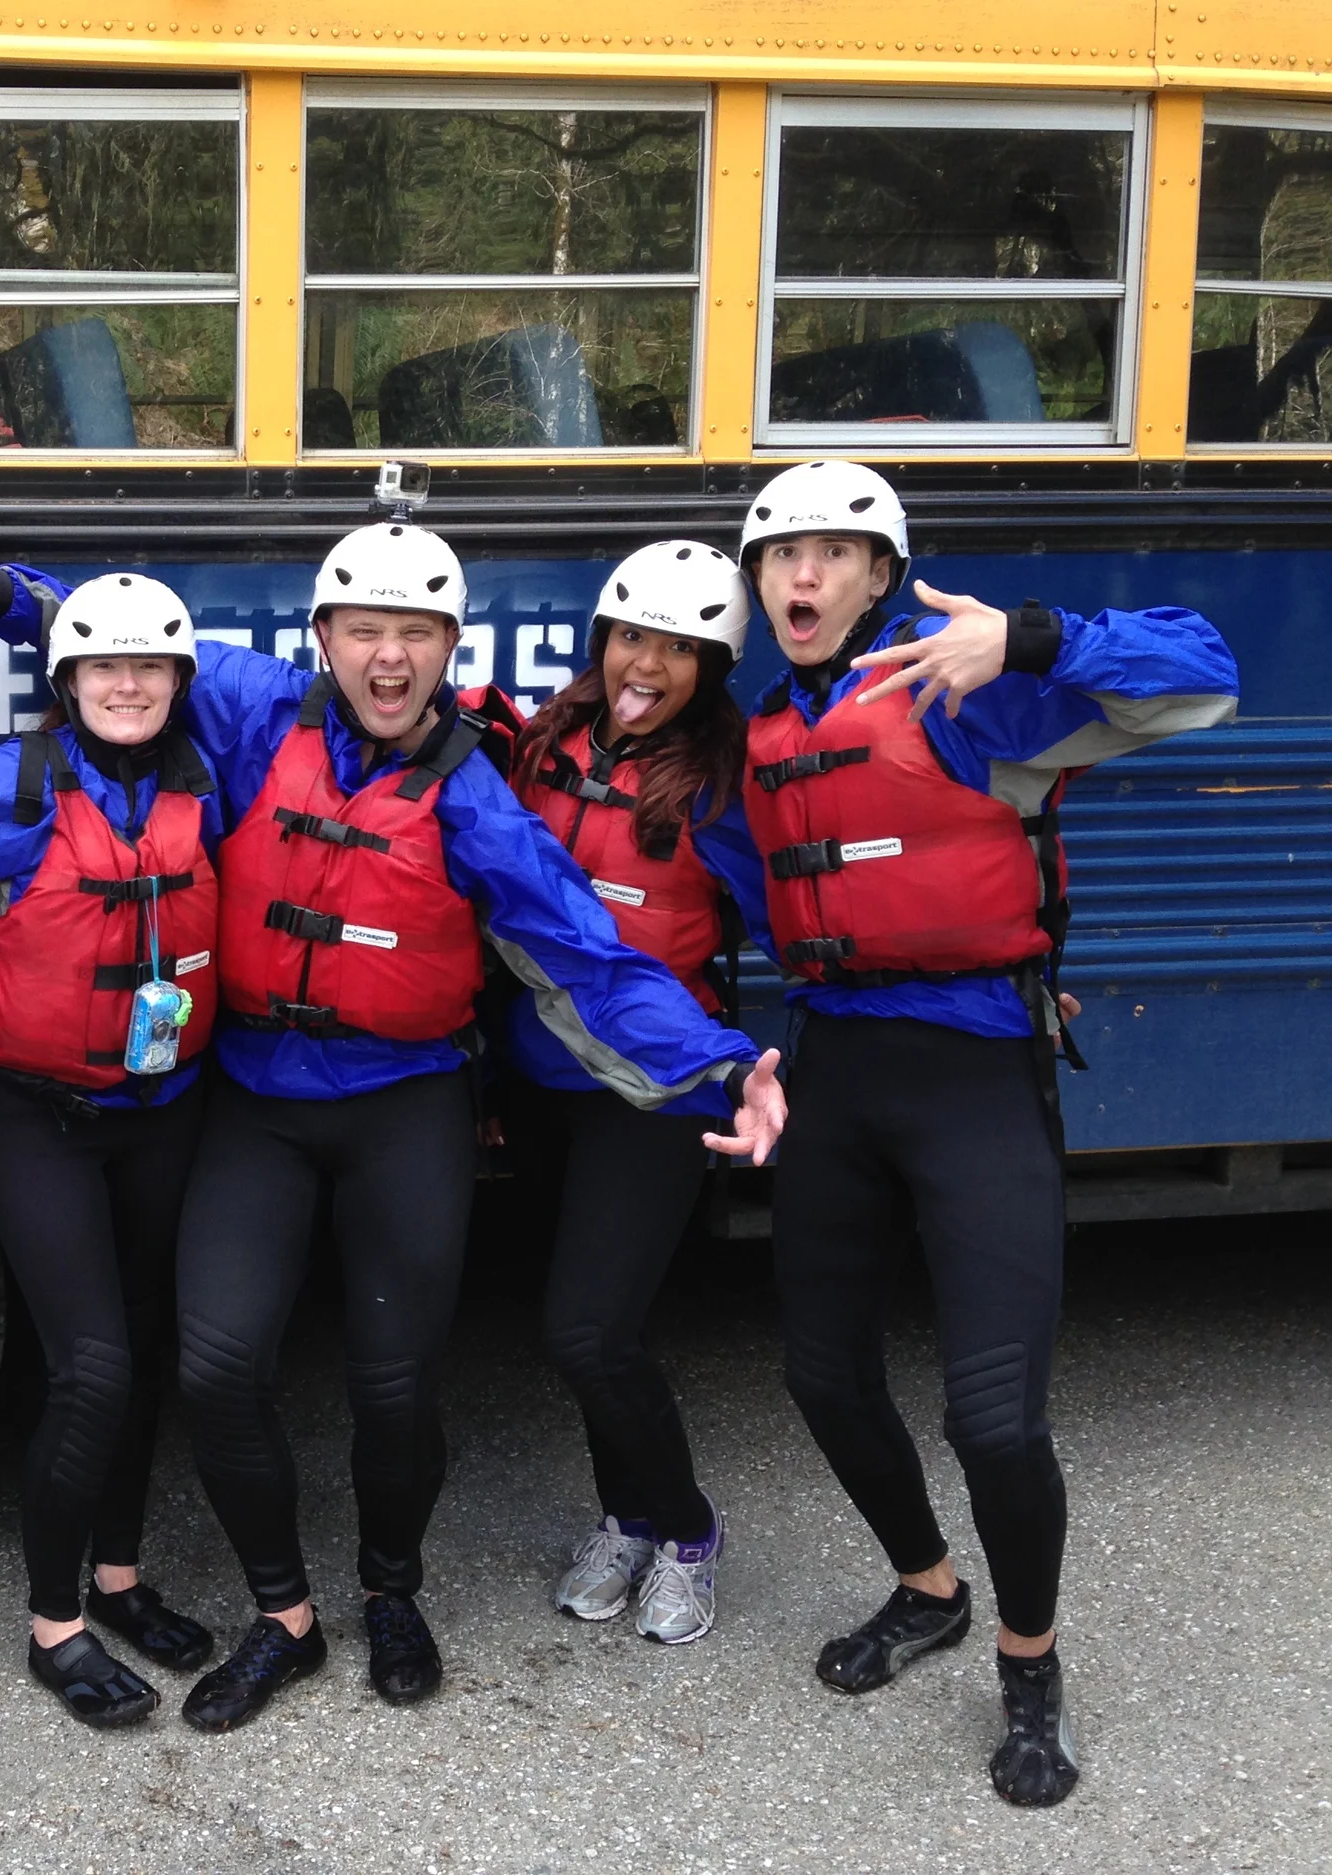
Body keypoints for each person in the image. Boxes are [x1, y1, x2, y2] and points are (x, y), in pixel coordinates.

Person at [0, 531, 786, 1733]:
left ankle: (392, 1590)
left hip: (405, 1106)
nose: (389, 658)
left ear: (451, 649)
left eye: (417, 635)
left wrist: (722, 1061)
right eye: (365, 631)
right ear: (321, 639)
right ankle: (285, 1617)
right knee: (217, 1367)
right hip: (259, 1104)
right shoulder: (253, 707)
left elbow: (587, 952)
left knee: (394, 1389)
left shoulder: (475, 791)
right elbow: (126, 645)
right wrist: (15, 596)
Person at [734, 459, 1238, 1806]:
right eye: (782, 552)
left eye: (838, 553)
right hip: (836, 1071)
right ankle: (927, 1586)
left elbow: (1204, 672)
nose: (804, 575)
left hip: (973, 1075)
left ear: (884, 577)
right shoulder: (768, 731)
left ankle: (1029, 1664)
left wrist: (1036, 633)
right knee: (822, 1376)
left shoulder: (969, 692)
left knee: (994, 1417)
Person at [0, 574, 223, 1728]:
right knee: (90, 1368)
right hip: (41, 1116)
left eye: (147, 666)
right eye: (101, 665)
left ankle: (120, 1580)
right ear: (67, 679)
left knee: (143, 1350)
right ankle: (54, 1626)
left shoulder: (206, 783)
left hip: (165, 1108)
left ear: (179, 681)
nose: (125, 684)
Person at [503, 541, 769, 1646]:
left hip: (654, 1092)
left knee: (587, 1330)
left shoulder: (729, 786)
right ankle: (624, 1518)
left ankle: (689, 1531)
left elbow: (816, 908)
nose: (645, 664)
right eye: (629, 636)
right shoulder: (537, 744)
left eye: (677, 646)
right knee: (579, 1327)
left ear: (712, 664)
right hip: (537, 1081)